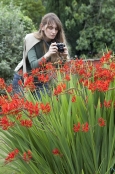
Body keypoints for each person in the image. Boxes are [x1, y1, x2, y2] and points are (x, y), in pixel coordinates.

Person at [12, 12, 70, 98]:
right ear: (42, 26)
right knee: (21, 109)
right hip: (23, 79)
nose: (54, 32)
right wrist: (48, 54)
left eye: (56, 29)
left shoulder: (56, 43)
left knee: (41, 109)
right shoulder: (31, 39)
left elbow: (58, 68)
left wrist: (65, 57)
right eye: (50, 28)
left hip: (41, 81)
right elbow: (34, 65)